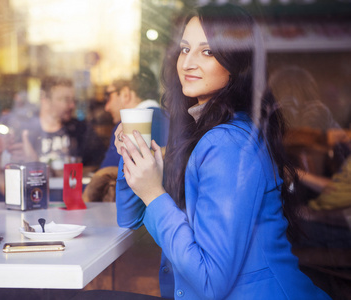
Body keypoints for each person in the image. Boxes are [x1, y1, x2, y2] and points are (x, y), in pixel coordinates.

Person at [113, 4, 331, 299]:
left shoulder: (227, 142)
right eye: (184, 49)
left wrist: (153, 193)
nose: (187, 63)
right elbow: (129, 217)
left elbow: (209, 282)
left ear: (237, 62)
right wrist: (132, 158)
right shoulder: (204, 130)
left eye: (208, 52)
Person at [8, 76, 105, 174]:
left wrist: (45, 168)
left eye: (73, 100)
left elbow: (98, 167)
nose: (72, 105)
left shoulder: (81, 130)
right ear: (44, 99)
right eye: (65, 100)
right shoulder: (26, 131)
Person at [101, 68, 169, 169]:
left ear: (125, 94)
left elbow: (106, 177)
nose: (106, 107)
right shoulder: (175, 121)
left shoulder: (124, 128)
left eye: (108, 96)